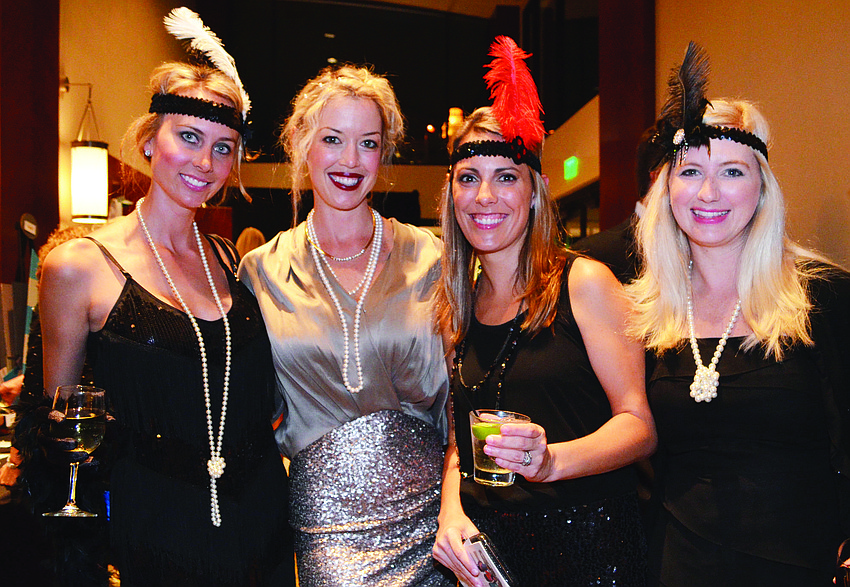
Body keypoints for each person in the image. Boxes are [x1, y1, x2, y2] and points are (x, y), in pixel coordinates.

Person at [37, 8, 294, 586]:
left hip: (260, 527)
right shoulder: (79, 267)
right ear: (150, 141)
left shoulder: (231, 261)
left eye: (224, 147)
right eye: (189, 137)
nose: (206, 162)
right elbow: (57, 422)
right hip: (150, 533)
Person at [431, 37, 656, 587]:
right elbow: (461, 440)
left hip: (589, 547)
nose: (485, 196)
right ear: (451, 194)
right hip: (494, 554)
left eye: (506, 177)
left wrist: (551, 460)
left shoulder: (584, 283)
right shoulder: (457, 305)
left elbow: (639, 425)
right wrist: (450, 512)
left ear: (534, 192)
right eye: (468, 178)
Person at [626, 42, 850, 586]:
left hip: (802, 566)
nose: (707, 192)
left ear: (762, 188)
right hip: (677, 565)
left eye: (731, 170)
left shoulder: (823, 297)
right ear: (665, 189)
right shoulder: (647, 314)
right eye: (689, 171)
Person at [238, 65, 453, 586]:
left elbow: (463, 395)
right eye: (333, 139)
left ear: (386, 152)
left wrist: (456, 504)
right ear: (301, 144)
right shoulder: (261, 271)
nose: (351, 161)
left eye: (369, 143)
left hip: (436, 523)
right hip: (327, 531)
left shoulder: (432, 256)